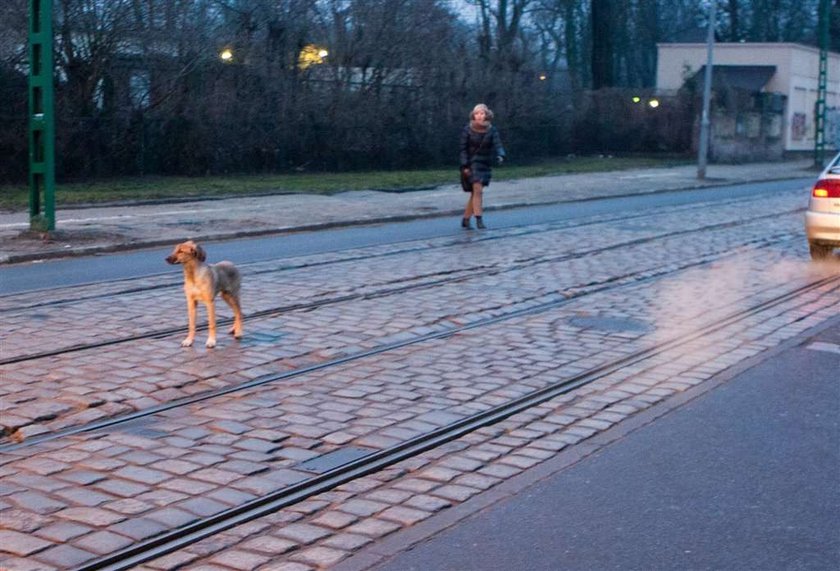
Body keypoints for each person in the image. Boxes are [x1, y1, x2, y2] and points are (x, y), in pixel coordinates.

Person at [459, 103, 505, 229]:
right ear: (473, 115)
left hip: (485, 163)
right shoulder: (467, 129)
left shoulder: (492, 130)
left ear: (486, 115)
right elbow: (463, 149)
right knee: (478, 190)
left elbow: (498, 144)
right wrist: (464, 165)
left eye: (482, 113)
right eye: (477, 113)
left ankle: (466, 219)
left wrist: (501, 155)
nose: (479, 116)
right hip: (471, 163)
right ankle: (479, 219)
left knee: (475, 193)